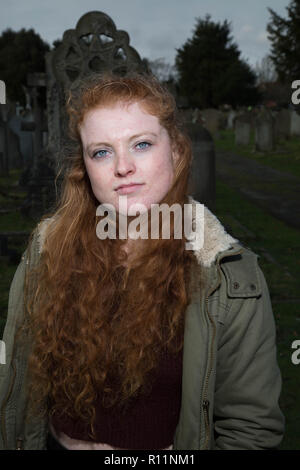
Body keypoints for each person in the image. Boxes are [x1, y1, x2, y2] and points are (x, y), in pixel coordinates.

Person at [0, 72, 284, 450]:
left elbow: (250, 431)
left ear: (177, 152)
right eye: (101, 151)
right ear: (84, 168)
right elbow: (15, 388)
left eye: (142, 144)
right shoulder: (46, 252)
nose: (122, 167)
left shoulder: (228, 275)